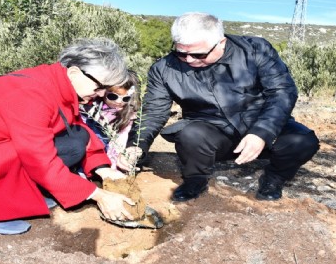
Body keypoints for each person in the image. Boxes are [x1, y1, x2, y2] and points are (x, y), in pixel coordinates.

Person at [0, 38, 135, 235]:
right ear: (74, 72)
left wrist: (104, 169)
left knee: (75, 140)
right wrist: (97, 195)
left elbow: (77, 129)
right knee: (47, 154)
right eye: (99, 87)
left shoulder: (57, 83)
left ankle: (26, 193)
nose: (100, 95)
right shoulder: (32, 93)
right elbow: (39, 160)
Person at [118, 12, 320, 202]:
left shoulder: (255, 50)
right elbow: (154, 111)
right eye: (181, 53)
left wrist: (262, 132)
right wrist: (137, 145)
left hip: (260, 130)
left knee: (302, 141)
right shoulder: (164, 69)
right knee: (190, 133)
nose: (189, 60)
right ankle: (195, 179)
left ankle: (275, 177)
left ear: (220, 43)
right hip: (212, 136)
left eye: (198, 55)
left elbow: (282, 91)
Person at [81, 70, 140, 171]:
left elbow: (120, 141)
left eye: (125, 98)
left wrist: (113, 165)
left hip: (111, 156)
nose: (118, 101)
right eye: (113, 96)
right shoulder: (90, 109)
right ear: (103, 92)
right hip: (89, 153)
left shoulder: (128, 115)